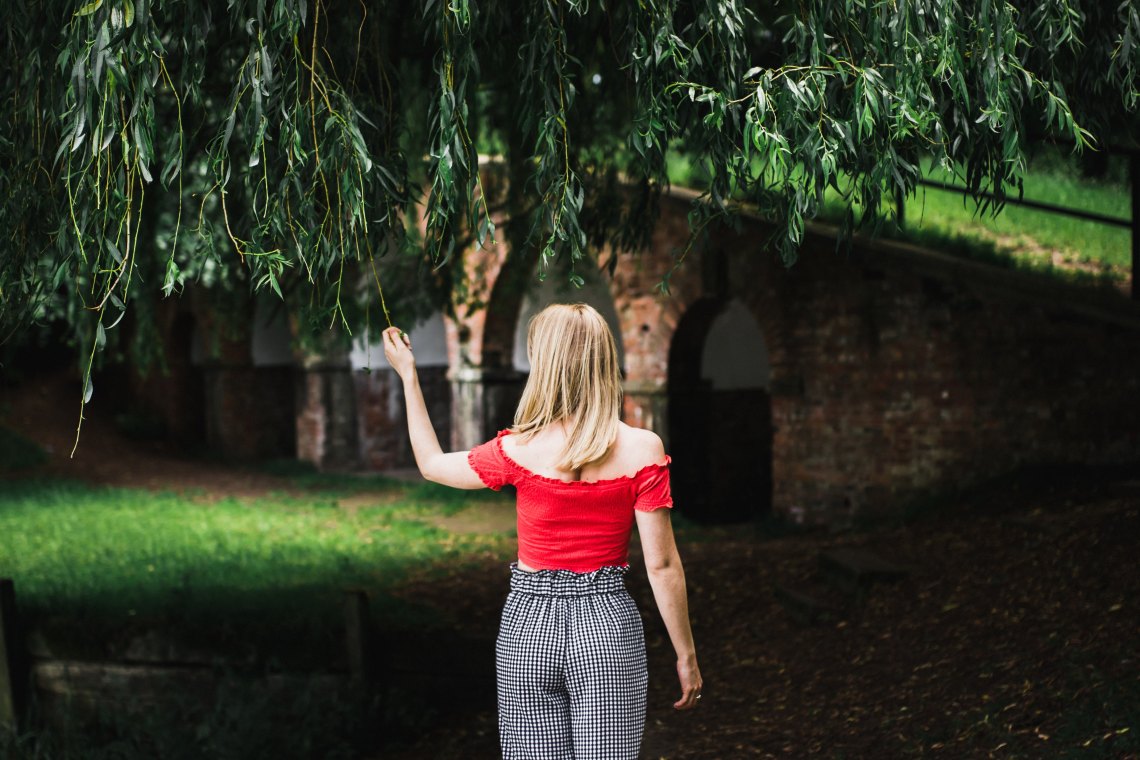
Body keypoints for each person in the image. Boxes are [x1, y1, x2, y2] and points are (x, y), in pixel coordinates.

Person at [382, 303, 702, 760]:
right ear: (603, 361)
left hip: (528, 627)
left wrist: (409, 376)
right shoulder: (643, 448)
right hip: (607, 627)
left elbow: (432, 465)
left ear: (546, 364)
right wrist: (685, 655)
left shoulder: (517, 448)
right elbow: (662, 564)